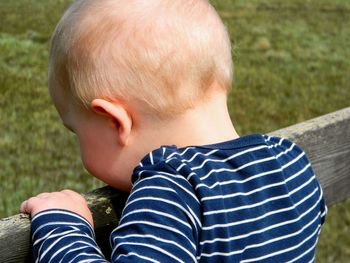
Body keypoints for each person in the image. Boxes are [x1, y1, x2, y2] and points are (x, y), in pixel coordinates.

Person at [19, 0, 327, 262]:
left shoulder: (172, 194)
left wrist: (63, 226)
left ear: (116, 122)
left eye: (76, 132)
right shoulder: (290, 161)